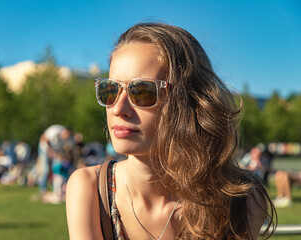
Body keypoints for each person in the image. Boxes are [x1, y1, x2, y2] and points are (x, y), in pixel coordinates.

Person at [66, 22, 276, 239]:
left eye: (142, 92)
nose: (118, 109)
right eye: (109, 90)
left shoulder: (241, 201)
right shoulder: (90, 190)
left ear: (189, 101)